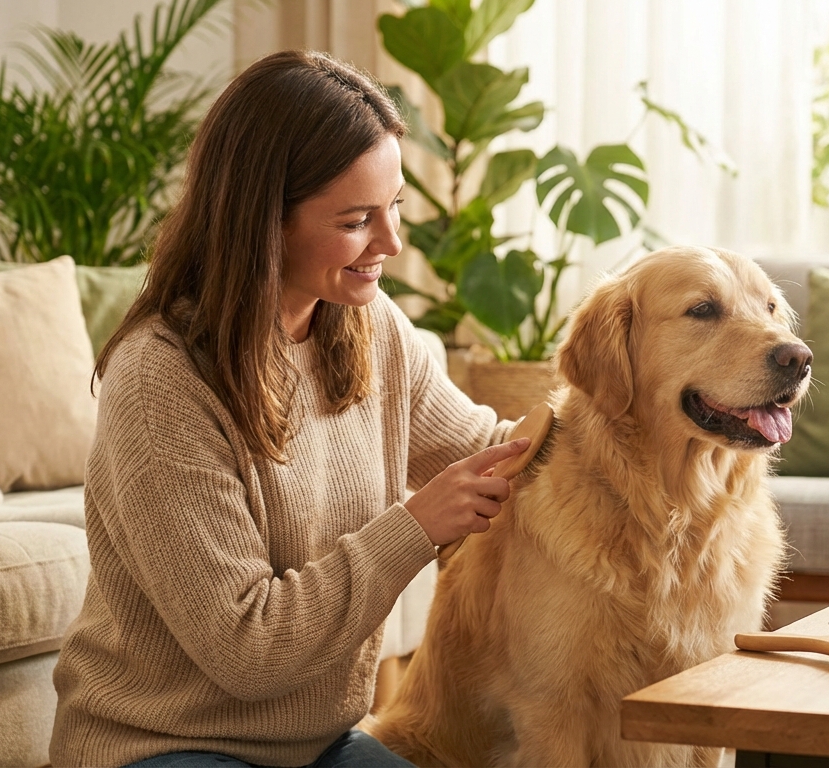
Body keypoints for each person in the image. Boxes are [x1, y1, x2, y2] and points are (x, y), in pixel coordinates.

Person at [48, 50, 527, 768]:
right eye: (357, 220)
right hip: (163, 747)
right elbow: (250, 648)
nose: (391, 244)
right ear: (262, 222)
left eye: (393, 207)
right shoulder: (160, 378)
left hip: (314, 747)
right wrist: (418, 524)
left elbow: (485, 449)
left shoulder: (369, 326)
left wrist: (619, 418)